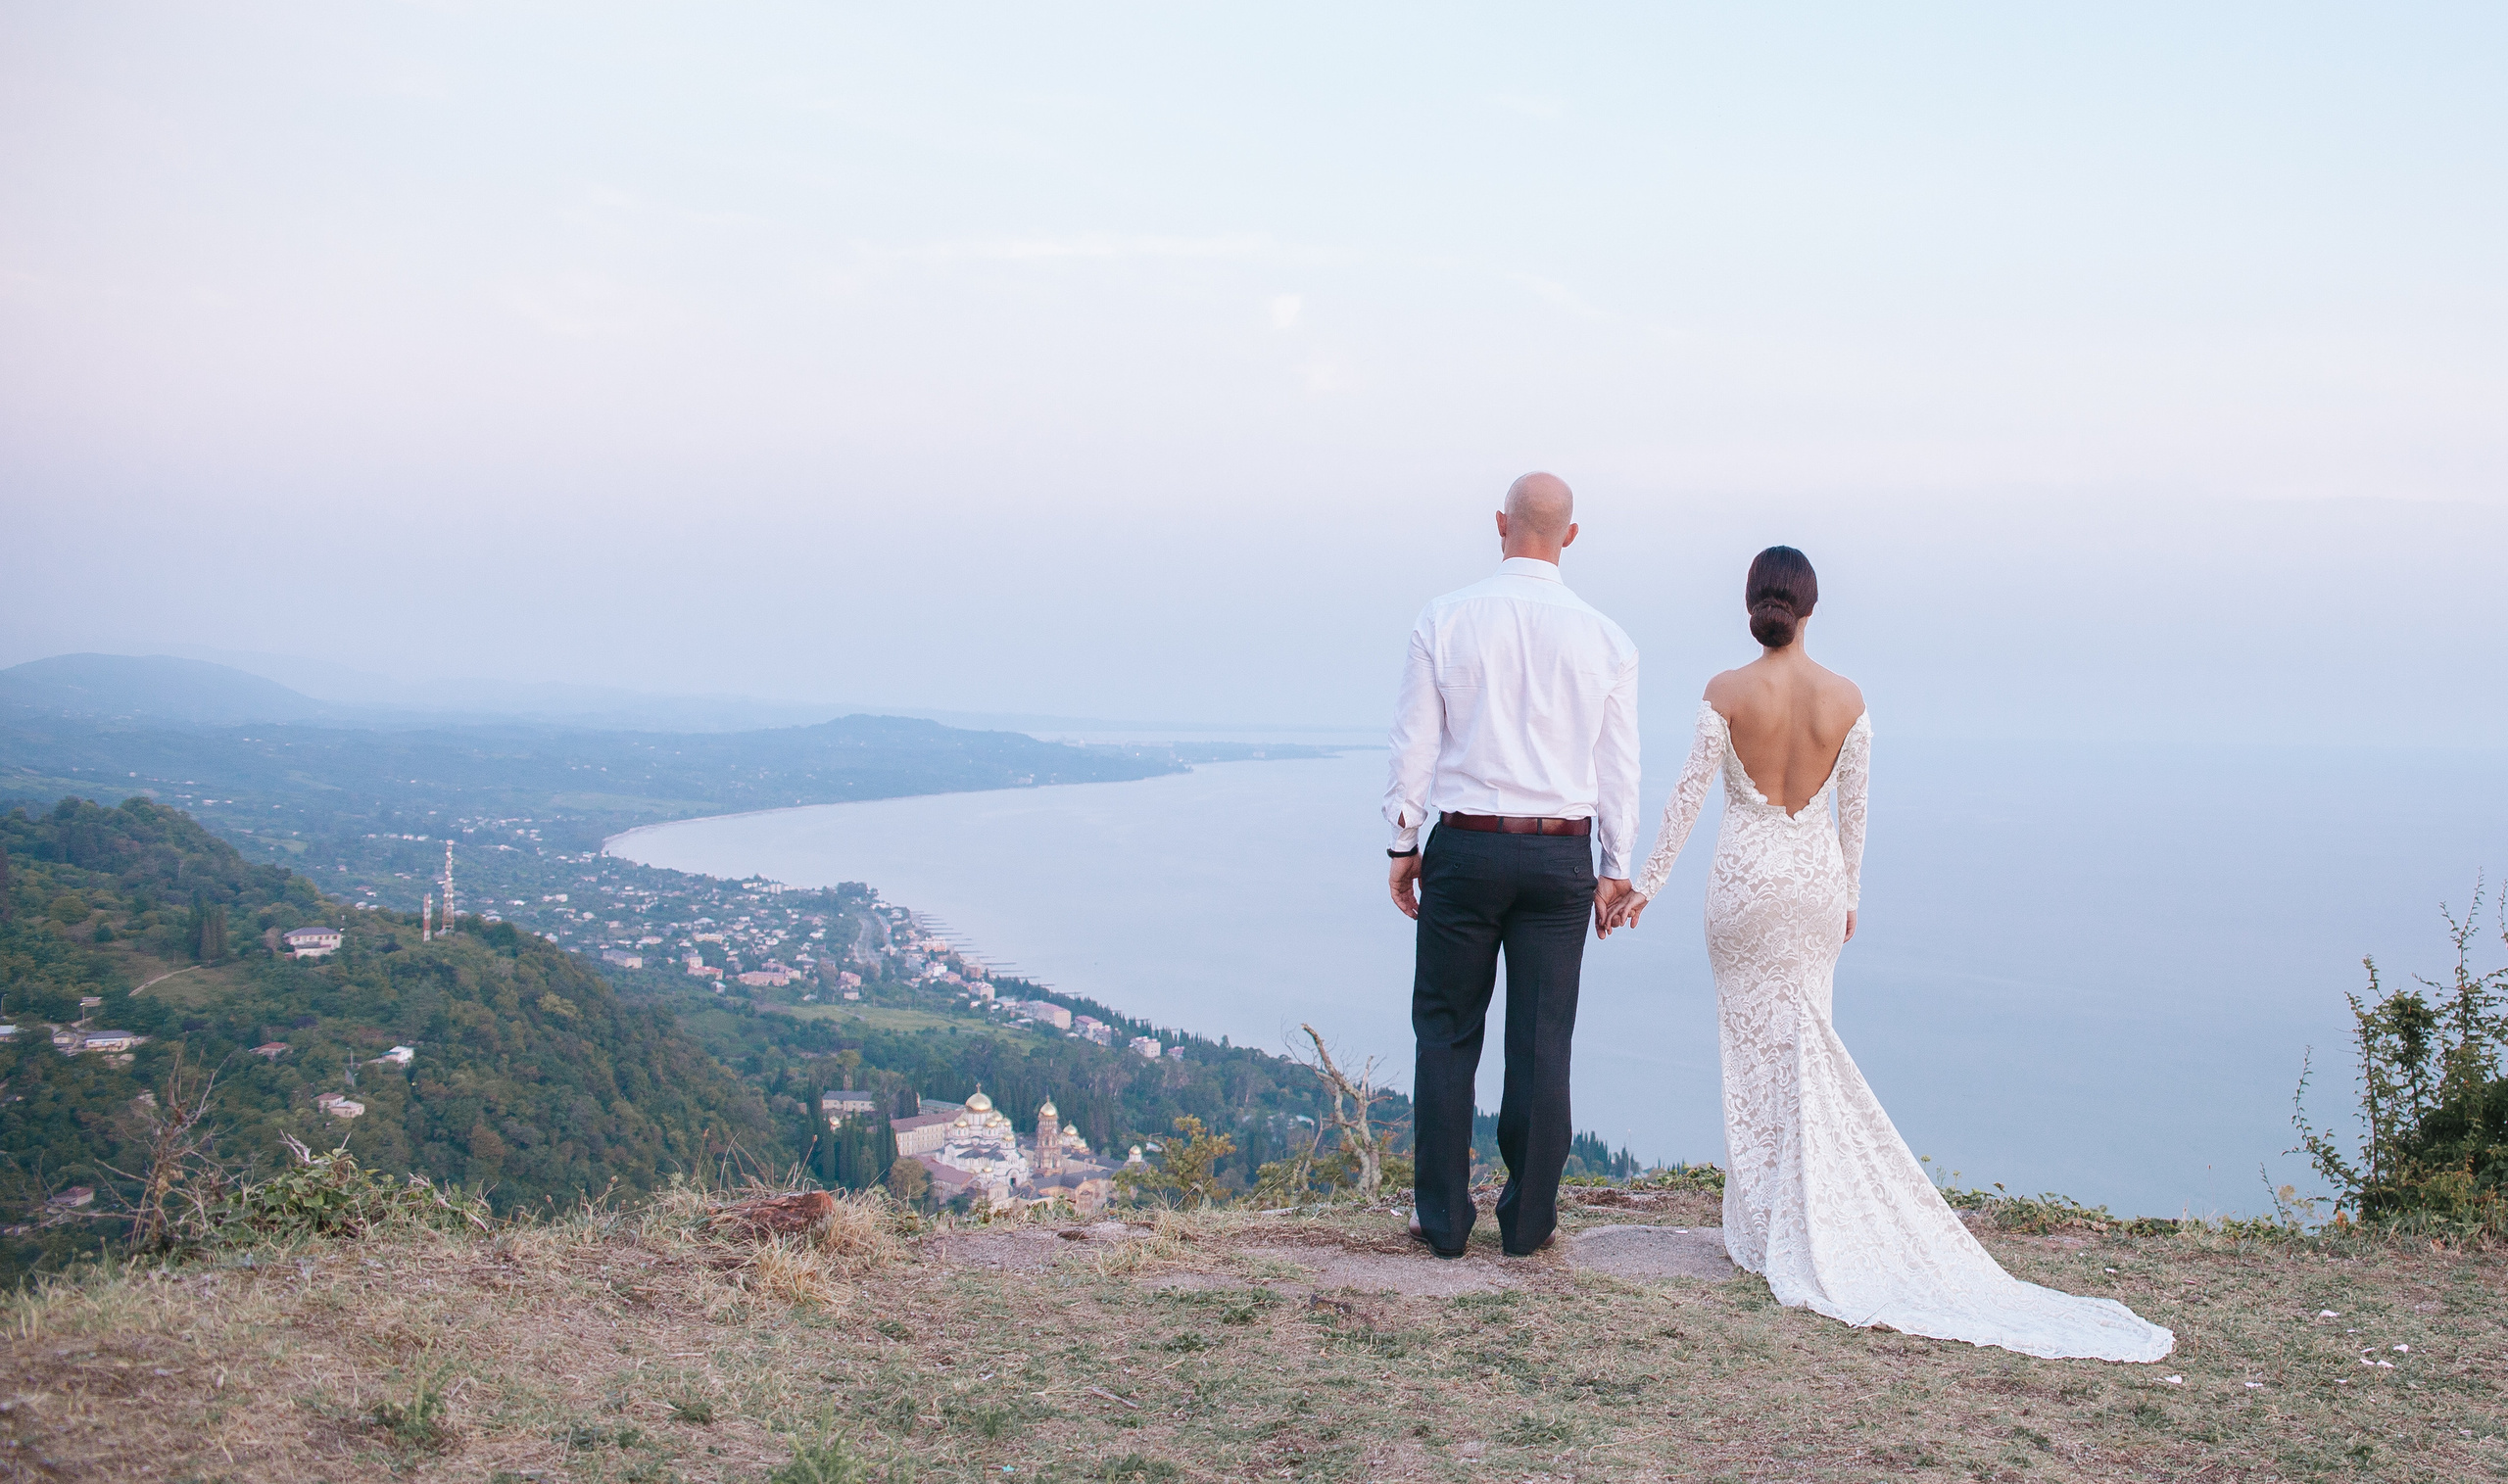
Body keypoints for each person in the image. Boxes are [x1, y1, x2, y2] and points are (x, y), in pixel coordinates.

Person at [1608, 546, 2172, 1361]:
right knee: (1809, 1042)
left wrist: (1646, 884)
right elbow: (1855, 812)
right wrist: (1849, 898)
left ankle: (1763, 1227)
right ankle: (1806, 1222)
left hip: (1744, 884)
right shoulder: (1848, 697)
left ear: (1752, 604)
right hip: (1811, 886)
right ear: (1810, 608)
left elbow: (1685, 799)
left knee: (1753, 1047)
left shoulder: (1724, 692)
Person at [1383, 472, 1640, 1259]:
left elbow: (1414, 746)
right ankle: (1528, 1224)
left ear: (1500, 524)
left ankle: (1444, 1221)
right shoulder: (1607, 638)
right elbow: (1617, 765)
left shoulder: (1445, 617)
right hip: (1560, 852)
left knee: (1446, 1032)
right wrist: (1615, 865)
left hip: (1464, 845)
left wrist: (1404, 843)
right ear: (1570, 535)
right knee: (1541, 1040)